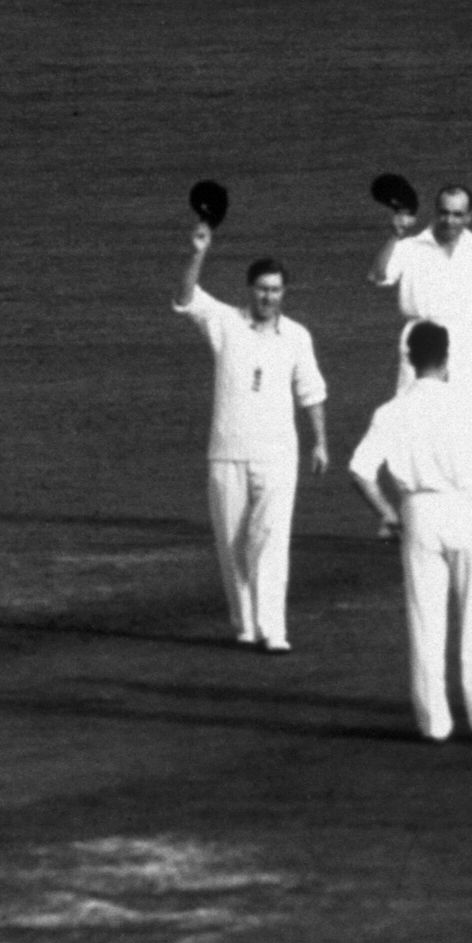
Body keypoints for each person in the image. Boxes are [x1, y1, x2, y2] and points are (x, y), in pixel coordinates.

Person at [346, 323, 472, 742]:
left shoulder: (392, 411)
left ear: (409, 360)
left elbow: (360, 471)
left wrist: (387, 514)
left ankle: (434, 724)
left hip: (418, 513)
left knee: (425, 621)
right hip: (469, 508)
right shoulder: (468, 401)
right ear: (448, 358)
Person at [172, 216, 330, 652]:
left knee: (271, 539)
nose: (269, 296)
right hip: (226, 453)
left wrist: (320, 441)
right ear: (250, 290)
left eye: (276, 290)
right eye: (262, 289)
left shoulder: (297, 336)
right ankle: (246, 626)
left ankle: (274, 630)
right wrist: (199, 251)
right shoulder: (224, 322)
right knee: (232, 544)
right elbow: (185, 300)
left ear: (284, 293)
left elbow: (311, 391)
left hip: (279, 455)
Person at [369, 183, 472, 395]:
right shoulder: (410, 247)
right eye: (444, 213)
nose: (449, 220)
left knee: (463, 416)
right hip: (420, 339)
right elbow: (377, 276)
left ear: (469, 217)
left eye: (458, 215)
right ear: (436, 211)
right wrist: (395, 234)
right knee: (413, 413)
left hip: (465, 342)